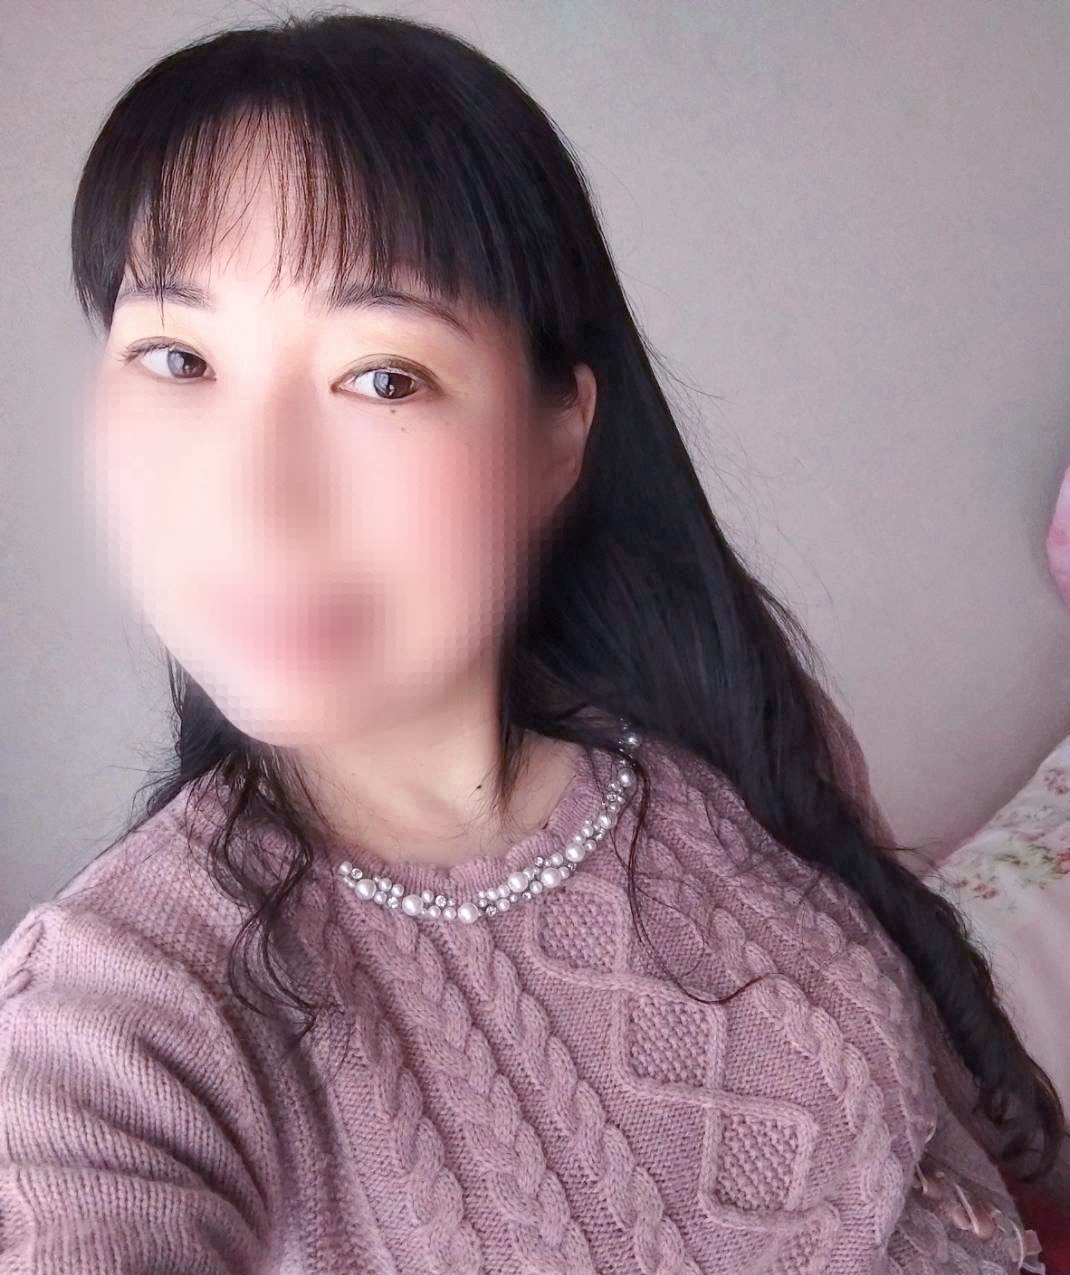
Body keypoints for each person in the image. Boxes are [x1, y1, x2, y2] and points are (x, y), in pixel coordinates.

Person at [0, 13, 1063, 1273]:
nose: (254, 495)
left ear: (554, 440)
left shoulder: (726, 723)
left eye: (382, 377)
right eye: (176, 358)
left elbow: (951, 1122)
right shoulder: (118, 1016)